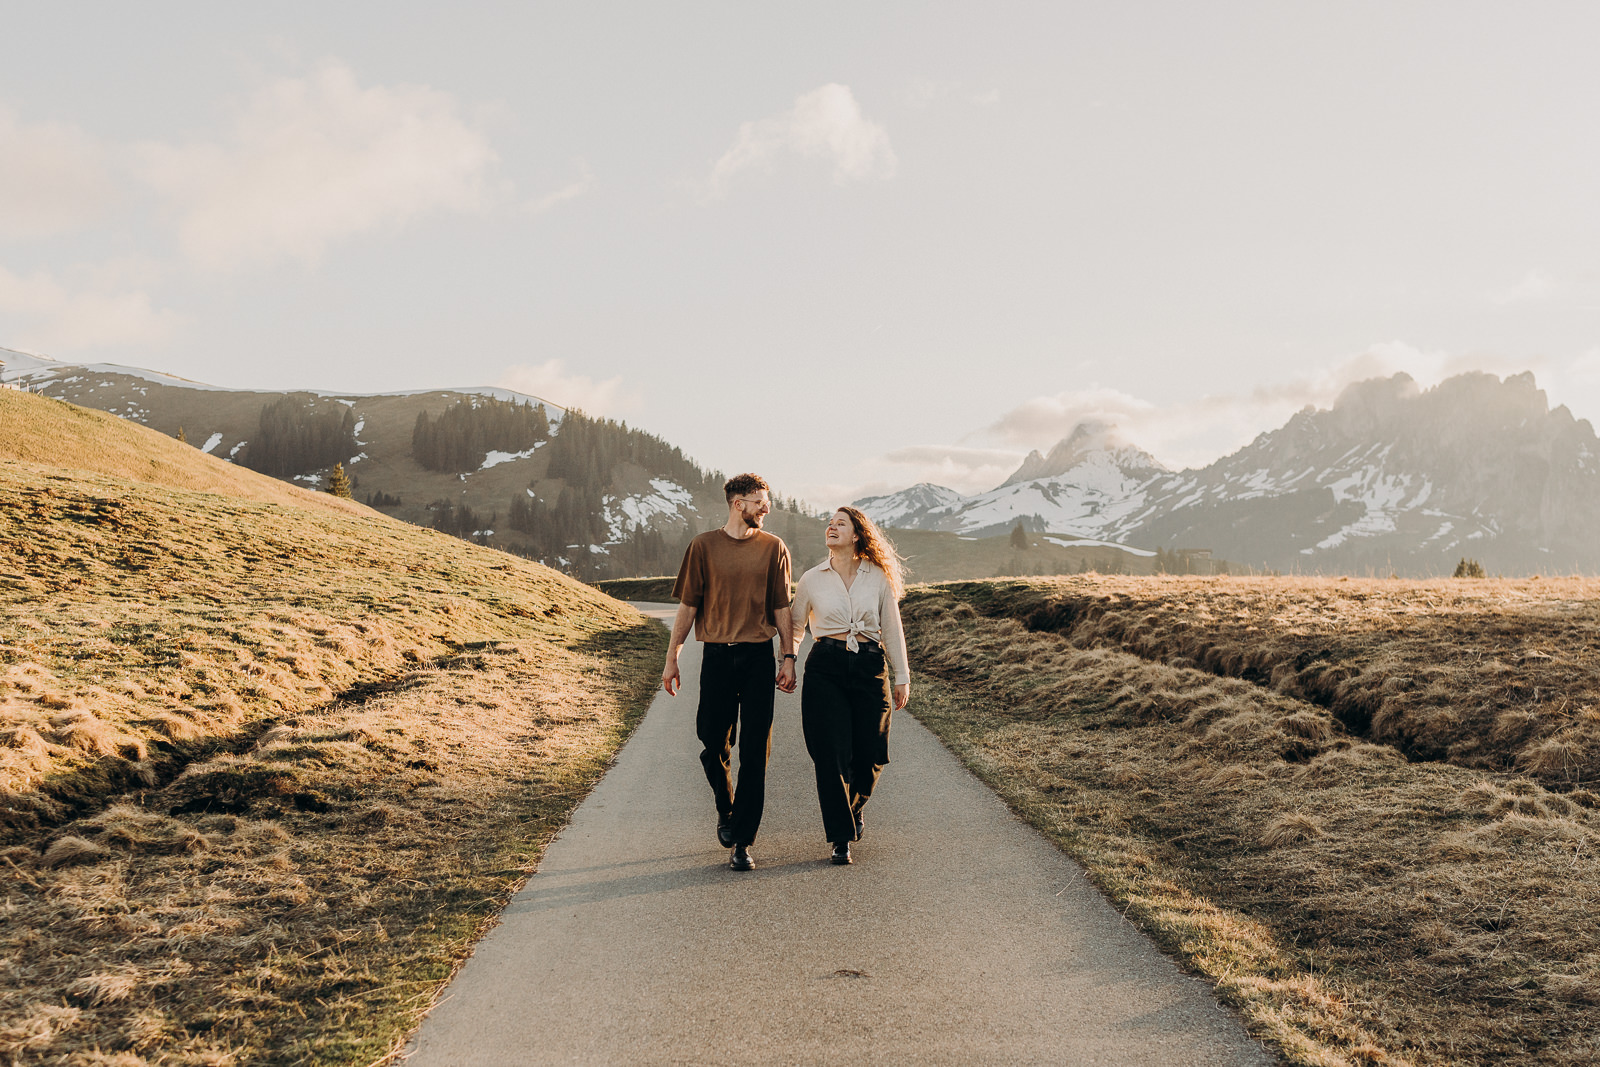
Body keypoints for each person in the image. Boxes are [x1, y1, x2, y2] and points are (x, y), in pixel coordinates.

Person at [662, 473, 796, 871]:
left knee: (755, 751)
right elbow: (688, 607)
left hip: (757, 657)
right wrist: (673, 657)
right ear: (738, 503)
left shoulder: (774, 548)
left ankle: (742, 840)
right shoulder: (703, 547)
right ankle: (726, 806)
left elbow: (781, 607)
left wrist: (787, 656)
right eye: (760, 501)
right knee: (712, 741)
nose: (765, 508)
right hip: (717, 658)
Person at [788, 505, 909, 866]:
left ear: (857, 534)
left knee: (873, 751)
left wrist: (901, 674)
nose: (832, 527)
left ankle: (853, 807)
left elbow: (892, 628)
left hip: (870, 666)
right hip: (826, 664)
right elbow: (796, 627)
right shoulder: (812, 578)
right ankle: (841, 836)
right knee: (829, 753)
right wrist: (788, 662)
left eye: (841, 523)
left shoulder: (878, 578)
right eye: (830, 523)